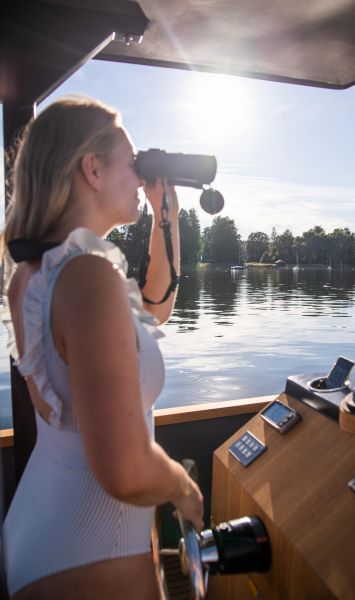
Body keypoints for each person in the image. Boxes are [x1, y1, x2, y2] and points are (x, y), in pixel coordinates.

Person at [0, 96, 204, 600]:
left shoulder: (33, 275)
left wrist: (166, 216)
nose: (140, 177)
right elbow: (127, 470)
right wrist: (184, 489)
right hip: (90, 552)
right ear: (91, 168)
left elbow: (152, 310)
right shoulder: (88, 275)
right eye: (132, 164)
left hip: (41, 530)